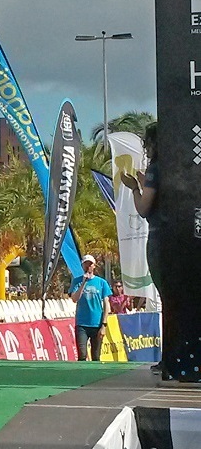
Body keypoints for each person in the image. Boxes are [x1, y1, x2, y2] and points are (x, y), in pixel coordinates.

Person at [120, 122, 161, 372]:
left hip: (159, 237)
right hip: (177, 235)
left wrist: (135, 188)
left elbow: (144, 207)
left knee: (167, 296)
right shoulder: (176, 165)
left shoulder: (157, 167)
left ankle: (172, 357)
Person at [69, 254, 112, 361]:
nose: (88, 266)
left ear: (94, 266)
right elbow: (74, 299)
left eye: (90, 264)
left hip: (96, 323)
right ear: (82, 266)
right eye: (86, 264)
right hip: (82, 324)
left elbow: (106, 304)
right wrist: (83, 283)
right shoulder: (77, 281)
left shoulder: (101, 282)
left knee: (96, 356)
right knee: (82, 355)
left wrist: (104, 325)